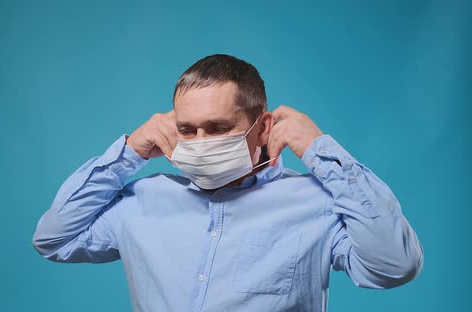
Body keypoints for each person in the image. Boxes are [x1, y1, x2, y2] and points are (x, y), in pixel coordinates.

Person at [32, 54, 423, 311]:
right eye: (187, 129)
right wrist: (129, 152)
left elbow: (393, 266)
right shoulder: (142, 201)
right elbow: (54, 239)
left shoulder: (315, 203)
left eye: (218, 128)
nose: (200, 143)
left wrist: (323, 153)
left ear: (262, 127)